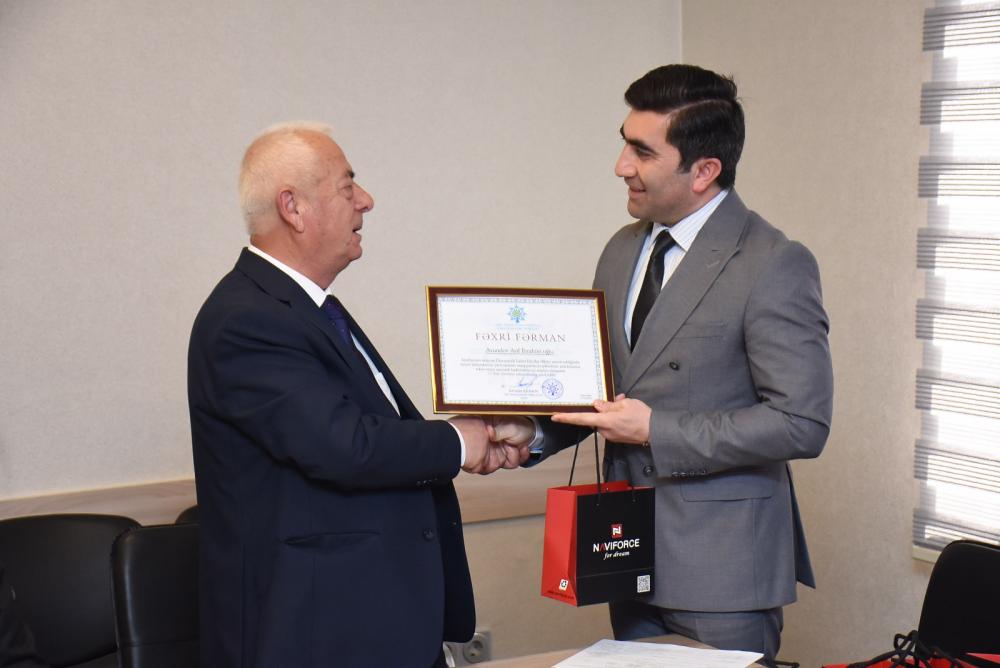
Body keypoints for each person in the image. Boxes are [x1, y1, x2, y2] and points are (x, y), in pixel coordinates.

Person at [493, 65, 833, 664]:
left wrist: (656, 430)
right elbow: (604, 388)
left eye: (642, 151)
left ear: (704, 171)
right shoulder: (623, 248)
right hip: (627, 552)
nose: (621, 165)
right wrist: (533, 433)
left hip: (723, 568)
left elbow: (801, 423)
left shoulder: (773, 262)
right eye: (624, 143)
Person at [188, 122, 528, 668]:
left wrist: (482, 432)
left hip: (372, 622)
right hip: (314, 637)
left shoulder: (309, 309)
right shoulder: (246, 320)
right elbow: (344, 446)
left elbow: (372, 434)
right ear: (293, 208)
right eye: (348, 187)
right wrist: (461, 442)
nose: (366, 201)